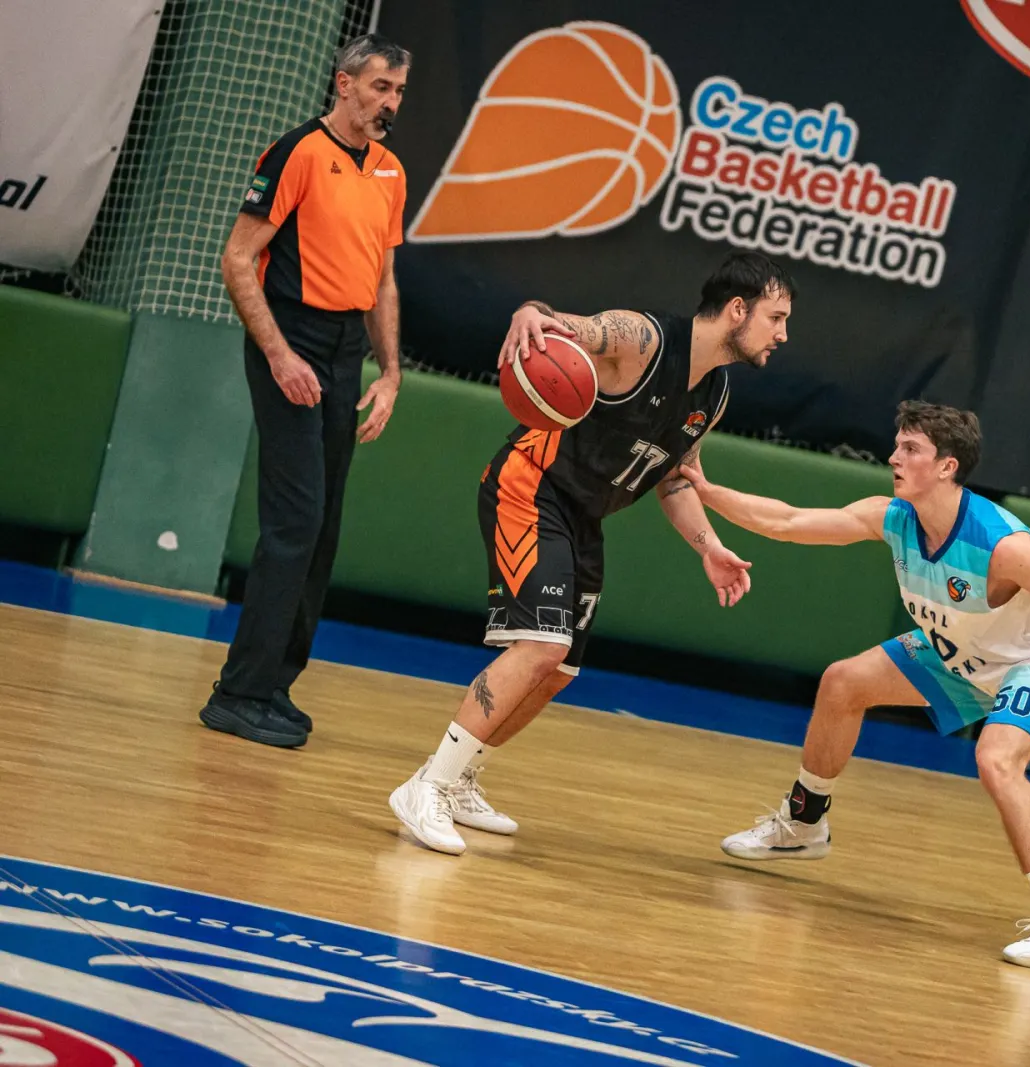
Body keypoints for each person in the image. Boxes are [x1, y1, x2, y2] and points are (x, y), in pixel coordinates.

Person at [681, 400, 1030, 970]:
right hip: (963, 645)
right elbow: (787, 522)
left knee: (995, 760)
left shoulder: (1001, 544)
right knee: (844, 682)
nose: (893, 457)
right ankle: (804, 824)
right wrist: (707, 491)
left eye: (910, 449)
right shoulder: (893, 517)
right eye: (897, 445)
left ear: (946, 466)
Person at [388, 252, 796, 855]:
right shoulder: (642, 340)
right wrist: (529, 311)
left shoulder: (715, 395)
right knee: (542, 645)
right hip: (531, 486)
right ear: (737, 309)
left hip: (584, 516)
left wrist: (709, 547)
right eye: (776, 317)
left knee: (558, 670)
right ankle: (427, 787)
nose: (782, 334)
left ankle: (462, 775)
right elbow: (557, 324)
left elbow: (675, 480)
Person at [201, 34, 411, 749]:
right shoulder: (296, 152)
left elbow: (382, 280)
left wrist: (390, 372)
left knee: (322, 529)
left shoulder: (390, 171)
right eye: (380, 87)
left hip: (347, 349)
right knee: (294, 521)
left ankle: (274, 684)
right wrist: (280, 354)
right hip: (291, 339)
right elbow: (238, 258)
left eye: (399, 91)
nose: (390, 103)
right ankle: (237, 693)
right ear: (344, 84)